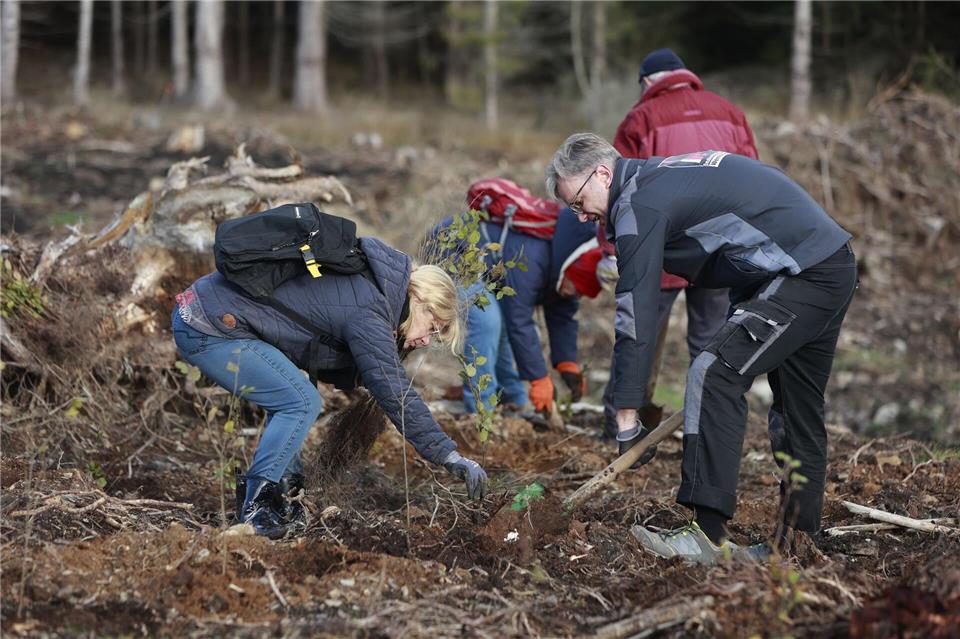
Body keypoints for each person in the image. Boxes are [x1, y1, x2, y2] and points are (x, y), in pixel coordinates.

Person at [545, 133, 857, 564]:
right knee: (796, 411)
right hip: (828, 263)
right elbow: (734, 237)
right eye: (573, 210)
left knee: (713, 373)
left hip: (803, 272)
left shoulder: (637, 203)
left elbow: (636, 310)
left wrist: (626, 413)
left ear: (602, 172)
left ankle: (706, 536)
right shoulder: (656, 179)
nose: (581, 217)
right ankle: (798, 548)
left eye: (578, 202)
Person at [172, 234, 488, 538]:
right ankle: (256, 510)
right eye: (432, 328)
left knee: (292, 390)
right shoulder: (371, 310)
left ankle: (283, 494)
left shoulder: (375, 285)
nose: (426, 340)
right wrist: (449, 456)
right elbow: (394, 392)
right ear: (420, 299)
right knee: (301, 401)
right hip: (207, 326)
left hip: (208, 309)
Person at [601, 47, 760, 439]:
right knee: (710, 343)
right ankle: (707, 432)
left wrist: (610, 250)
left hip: (660, 251)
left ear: (647, 82)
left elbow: (616, 191)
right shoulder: (729, 111)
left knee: (638, 336)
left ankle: (620, 429)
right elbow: (753, 177)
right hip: (720, 250)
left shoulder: (640, 118)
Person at [431, 207, 601, 416]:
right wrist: (539, 379)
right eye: (577, 289)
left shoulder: (562, 269)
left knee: (498, 319)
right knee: (487, 320)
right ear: (569, 272)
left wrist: (566, 362)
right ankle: (481, 411)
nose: (577, 295)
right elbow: (519, 320)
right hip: (453, 250)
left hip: (485, 269)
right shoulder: (536, 258)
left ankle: (514, 400)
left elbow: (563, 316)